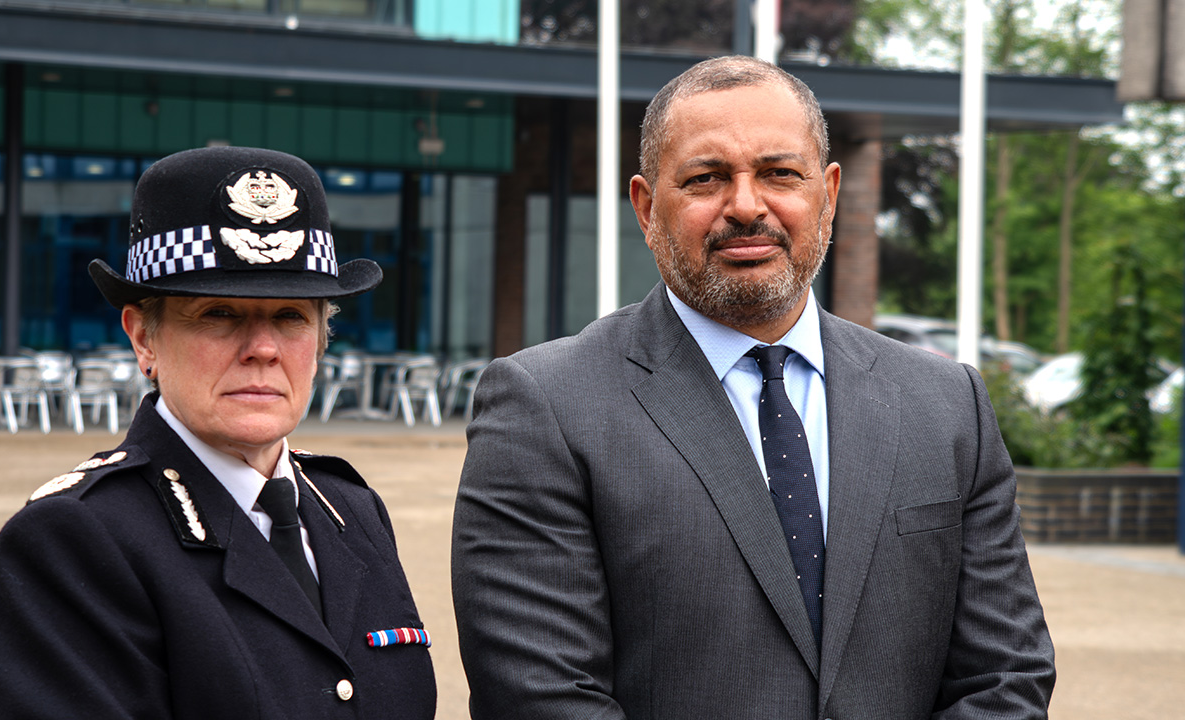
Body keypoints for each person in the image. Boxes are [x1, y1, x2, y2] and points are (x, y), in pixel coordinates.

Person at [451, 56, 1055, 719]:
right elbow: (540, 700)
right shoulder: (547, 408)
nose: (745, 205)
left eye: (779, 174)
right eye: (706, 178)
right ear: (647, 207)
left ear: (826, 194)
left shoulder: (947, 407)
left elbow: (1006, 680)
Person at [0, 146, 436, 720]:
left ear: (322, 340)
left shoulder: (352, 510)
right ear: (144, 338)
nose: (263, 350)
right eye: (219, 314)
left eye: (291, 317)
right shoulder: (77, 537)